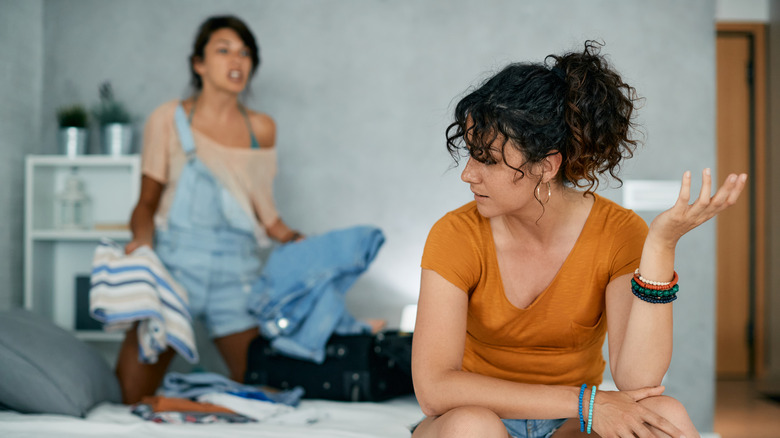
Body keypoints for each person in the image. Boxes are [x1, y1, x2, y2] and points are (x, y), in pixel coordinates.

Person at [411, 41, 747, 438]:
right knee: (473, 426)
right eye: (471, 155)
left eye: (488, 160)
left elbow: (637, 381)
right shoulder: (455, 235)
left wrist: (660, 246)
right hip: (480, 415)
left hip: (568, 424)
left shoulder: (618, 232)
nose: (468, 174)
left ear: (546, 166)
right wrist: (587, 402)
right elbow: (434, 390)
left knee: (665, 413)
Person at [116, 15, 302, 404]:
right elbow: (146, 202)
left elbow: (265, 213)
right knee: (129, 393)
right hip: (175, 269)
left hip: (237, 277)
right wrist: (142, 242)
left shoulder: (261, 129)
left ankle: (191, 405)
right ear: (198, 64)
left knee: (265, 392)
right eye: (223, 50)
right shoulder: (169, 118)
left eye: (245, 53)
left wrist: (299, 242)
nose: (237, 60)